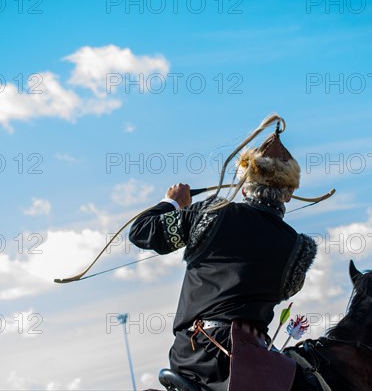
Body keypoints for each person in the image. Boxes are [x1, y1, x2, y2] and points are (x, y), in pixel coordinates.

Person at [129, 130, 317, 390]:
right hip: (254, 363)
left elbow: (141, 232)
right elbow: (284, 288)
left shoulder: (211, 213)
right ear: (289, 193)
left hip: (196, 355)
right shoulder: (300, 249)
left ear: (244, 186)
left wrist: (172, 202)